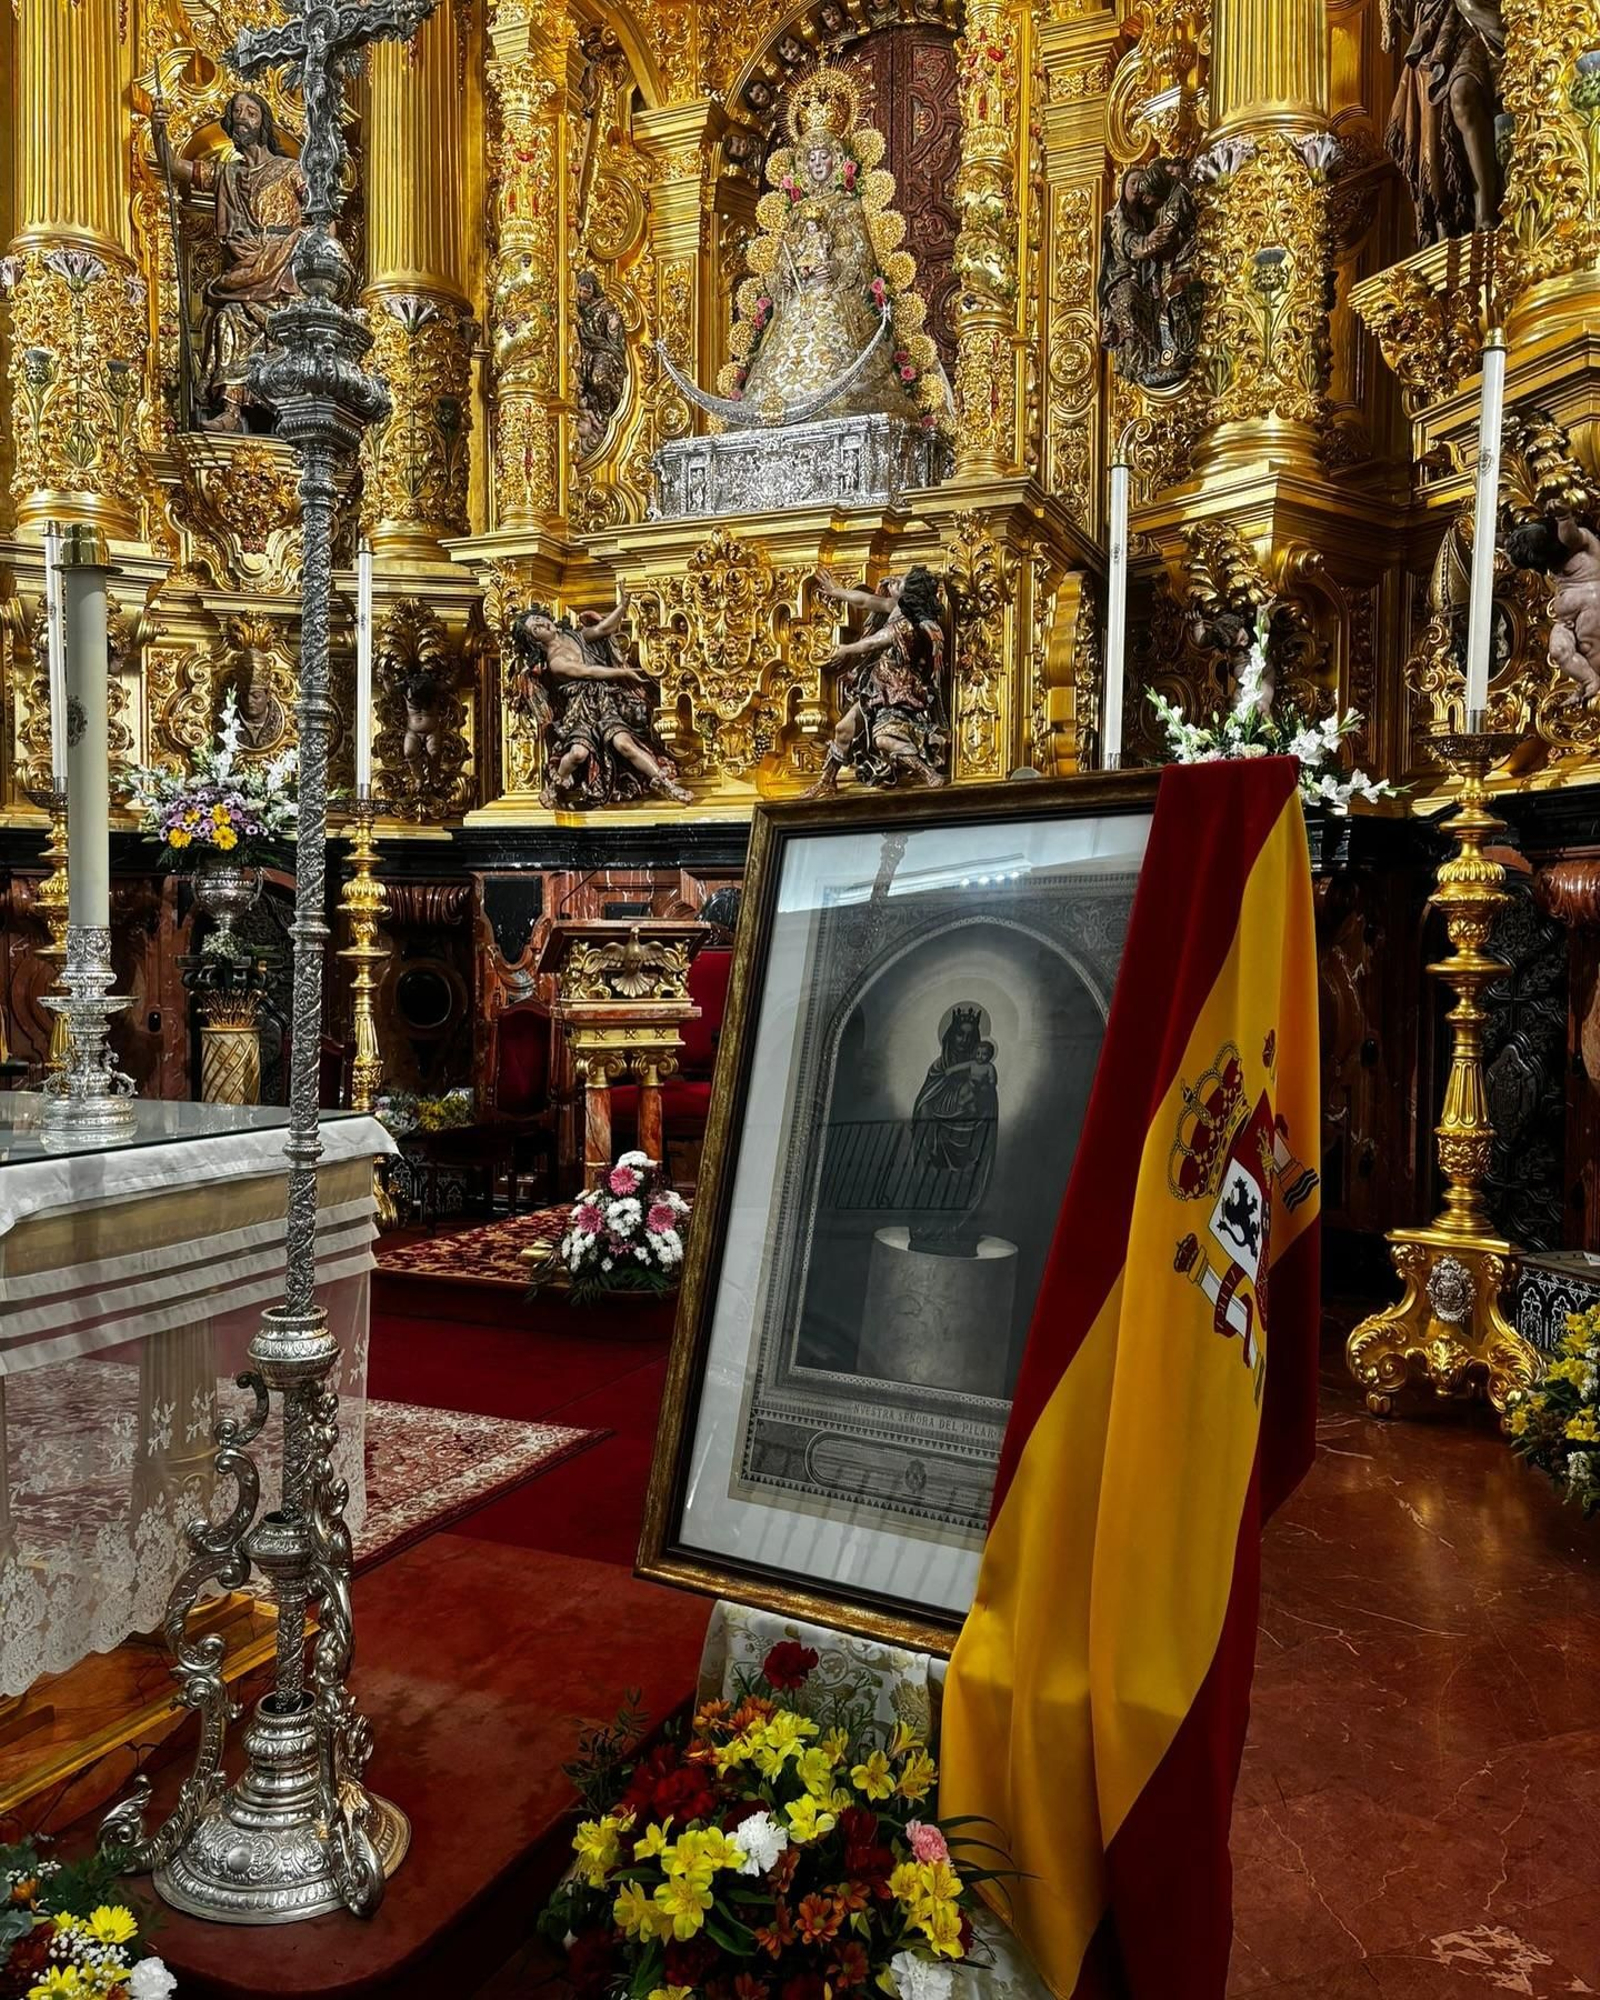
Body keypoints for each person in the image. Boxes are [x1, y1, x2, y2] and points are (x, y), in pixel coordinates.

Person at [151, 90, 310, 433]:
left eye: (251, 112)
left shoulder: (291, 170)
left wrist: (319, 261)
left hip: (285, 270)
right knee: (228, 318)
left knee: (292, 330)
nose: (242, 118)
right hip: (244, 272)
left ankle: (292, 413)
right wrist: (158, 129)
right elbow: (173, 166)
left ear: (263, 123)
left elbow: (322, 211)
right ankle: (232, 410)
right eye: (237, 111)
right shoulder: (227, 174)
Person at [511, 592, 693, 807]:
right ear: (535, 640)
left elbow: (603, 629)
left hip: (605, 703)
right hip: (580, 710)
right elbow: (588, 671)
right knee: (578, 753)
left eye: (539, 619)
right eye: (536, 628)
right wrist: (622, 673)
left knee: (624, 744)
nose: (542, 624)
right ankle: (557, 785)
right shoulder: (555, 661)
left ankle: (667, 785)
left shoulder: (574, 636)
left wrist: (623, 606)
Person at [806, 567, 949, 793]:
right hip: (877, 685)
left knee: (884, 739)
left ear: (910, 594)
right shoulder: (896, 607)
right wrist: (837, 591)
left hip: (897, 689)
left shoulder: (908, 624)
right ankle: (827, 780)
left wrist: (844, 650)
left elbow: (874, 642)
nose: (893, 582)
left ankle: (928, 773)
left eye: (900, 583)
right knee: (843, 729)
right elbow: (865, 601)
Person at [1505, 515, 1600, 708]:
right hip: (1567, 624)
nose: (1552, 569)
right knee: (1558, 650)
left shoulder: (1584, 545)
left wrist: (1564, 516)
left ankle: (1591, 681)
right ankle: (1588, 679)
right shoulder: (1555, 564)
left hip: (1591, 614)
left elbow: (1570, 534)